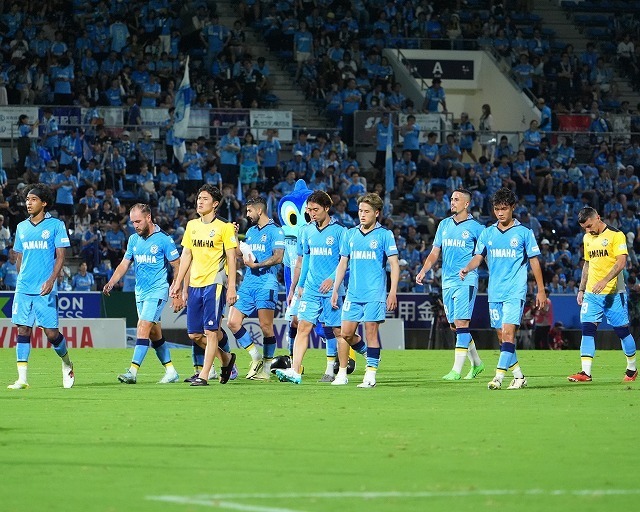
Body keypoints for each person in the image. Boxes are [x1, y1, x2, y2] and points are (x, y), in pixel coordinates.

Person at [460, 188, 546, 390]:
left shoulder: (524, 233)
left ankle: (498, 377)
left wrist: (541, 290)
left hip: (514, 291)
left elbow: (535, 262)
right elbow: (478, 257)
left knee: (508, 334)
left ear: (513, 208)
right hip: (495, 291)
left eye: (504, 209)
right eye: (497, 209)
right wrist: (467, 267)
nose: (500, 213)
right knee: (501, 336)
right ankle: (519, 376)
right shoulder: (488, 233)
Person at [169, 185, 238, 387]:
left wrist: (232, 287)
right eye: (199, 198)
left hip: (214, 284)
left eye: (205, 199)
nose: (200, 201)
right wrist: (178, 283)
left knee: (210, 331)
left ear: (215, 204)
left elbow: (232, 259)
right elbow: (186, 255)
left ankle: (204, 375)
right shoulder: (191, 226)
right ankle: (226, 359)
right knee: (194, 334)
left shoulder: (224, 227)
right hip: (195, 285)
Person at [104, 203, 181, 384]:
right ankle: (171, 371)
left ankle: (132, 371)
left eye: (138, 221)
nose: (135, 225)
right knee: (154, 334)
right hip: (140, 292)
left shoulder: (164, 239)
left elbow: (177, 265)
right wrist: (112, 281)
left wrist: (176, 289)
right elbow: (125, 263)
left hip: (158, 290)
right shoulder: (133, 240)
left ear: (148, 218)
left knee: (143, 326)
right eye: (132, 222)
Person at [275, 191, 347, 384]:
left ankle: (341, 373)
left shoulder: (340, 231)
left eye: (315, 209)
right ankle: (295, 371)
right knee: (303, 327)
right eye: (309, 210)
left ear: (326, 208)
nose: (312, 213)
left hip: (333, 291)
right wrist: (299, 285)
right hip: (311, 289)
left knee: (338, 331)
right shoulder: (306, 231)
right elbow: (305, 259)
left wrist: (332, 279)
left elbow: (344, 261)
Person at [7, 185, 74, 390]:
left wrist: (52, 279)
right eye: (27, 199)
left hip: (45, 287)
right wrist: (21, 280)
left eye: (33, 199)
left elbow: (61, 255)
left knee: (51, 334)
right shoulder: (21, 227)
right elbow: (18, 255)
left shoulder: (56, 225)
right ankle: (22, 379)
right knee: (23, 329)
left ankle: (67, 363)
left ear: (44, 203)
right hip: (24, 287)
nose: (28, 203)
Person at [330, 193, 400, 387]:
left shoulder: (385, 235)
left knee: (371, 333)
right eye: (360, 211)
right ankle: (343, 372)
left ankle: (370, 376)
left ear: (376, 213)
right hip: (353, 293)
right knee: (345, 334)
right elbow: (343, 263)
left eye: (367, 211)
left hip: (374, 293)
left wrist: (392, 291)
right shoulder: (350, 234)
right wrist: (336, 289)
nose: (362, 215)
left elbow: (394, 264)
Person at [416, 189, 485, 380]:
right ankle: (477, 364)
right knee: (456, 326)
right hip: (447, 282)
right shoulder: (443, 225)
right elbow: (435, 253)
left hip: (466, 280)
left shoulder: (477, 228)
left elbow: (482, 255)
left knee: (462, 324)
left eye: (457, 199)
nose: (452, 202)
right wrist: (424, 270)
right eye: (452, 199)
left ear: (466, 204)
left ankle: (456, 370)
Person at [568, 207, 638, 382]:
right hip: (592, 293)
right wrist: (582, 289)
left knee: (622, 332)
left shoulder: (616, 235)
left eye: (590, 225)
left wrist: (605, 280)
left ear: (598, 218)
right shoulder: (587, 238)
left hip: (613, 293)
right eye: (585, 228)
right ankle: (586, 373)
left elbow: (621, 262)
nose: (588, 230)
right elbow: (587, 264)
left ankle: (632, 368)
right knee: (587, 330)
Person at [227, 196, 285, 380]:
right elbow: (238, 254)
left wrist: (257, 266)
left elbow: (278, 257)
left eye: (249, 211)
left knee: (266, 327)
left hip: (266, 283)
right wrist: (235, 236)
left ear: (259, 210)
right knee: (232, 323)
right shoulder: (251, 231)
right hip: (248, 284)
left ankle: (266, 369)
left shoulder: (276, 231)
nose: (247, 214)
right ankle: (256, 356)